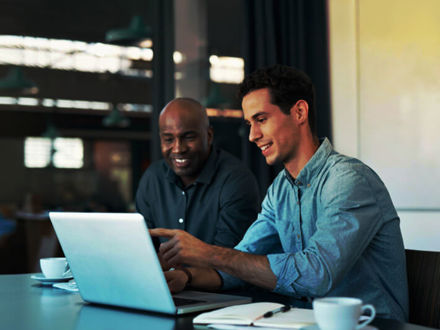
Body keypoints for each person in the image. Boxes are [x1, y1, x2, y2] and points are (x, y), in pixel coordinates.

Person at [150, 65, 409, 321]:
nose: (252, 135)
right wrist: (186, 277)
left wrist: (207, 252)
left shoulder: (349, 181)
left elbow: (316, 275)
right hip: (301, 323)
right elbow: (241, 263)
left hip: (370, 325)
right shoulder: (280, 190)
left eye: (261, 120)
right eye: (250, 123)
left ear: (299, 112)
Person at [135, 97, 260, 250]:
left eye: (188, 137)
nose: (178, 149)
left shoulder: (236, 180)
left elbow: (228, 258)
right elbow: (144, 248)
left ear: (209, 136)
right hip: (164, 274)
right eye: (168, 139)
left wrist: (183, 273)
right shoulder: (152, 179)